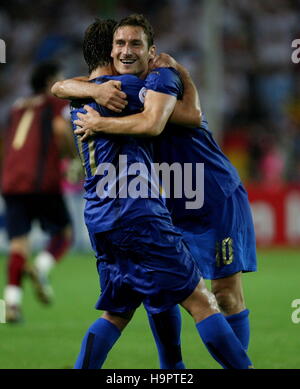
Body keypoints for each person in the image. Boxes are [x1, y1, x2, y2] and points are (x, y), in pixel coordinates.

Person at [53, 16, 254, 369]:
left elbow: (187, 117)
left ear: (152, 52)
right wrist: (95, 89)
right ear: (110, 52)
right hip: (152, 205)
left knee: (218, 295)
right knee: (178, 297)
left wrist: (95, 105)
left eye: (134, 44)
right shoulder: (119, 89)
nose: (126, 51)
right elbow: (62, 86)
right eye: (120, 44)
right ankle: (175, 369)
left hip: (208, 195)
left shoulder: (155, 80)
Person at [1, 62, 75, 323]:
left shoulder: (17, 107)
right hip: (41, 181)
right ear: (50, 82)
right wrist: (72, 157)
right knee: (64, 233)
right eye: (60, 79)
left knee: (18, 244)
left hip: (11, 182)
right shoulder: (53, 104)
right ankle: (41, 268)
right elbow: (59, 129)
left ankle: (11, 304)